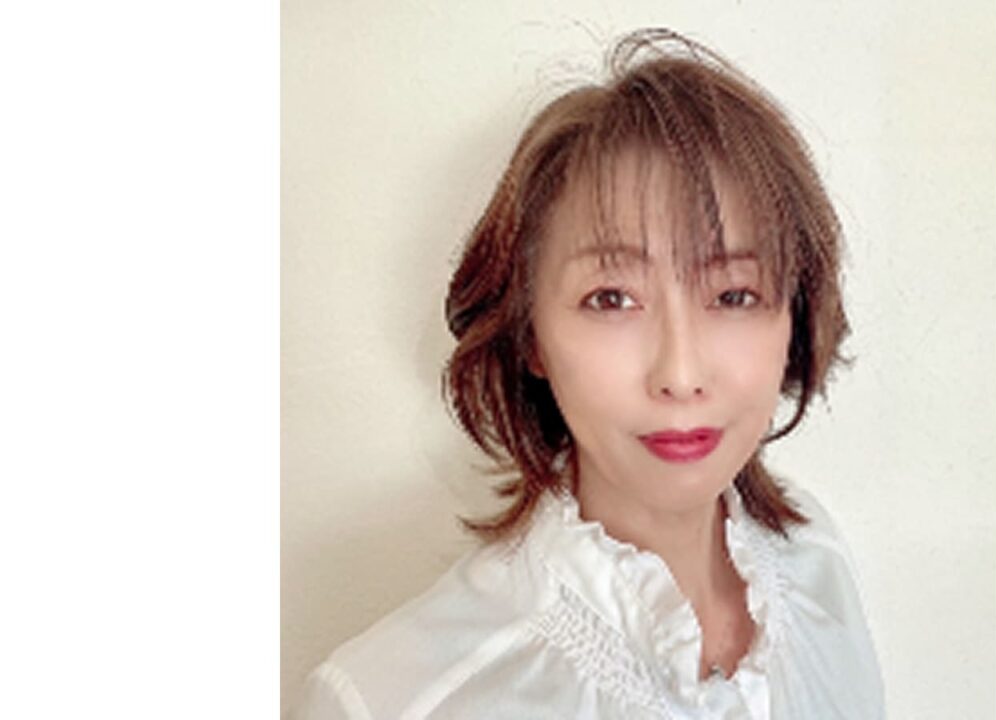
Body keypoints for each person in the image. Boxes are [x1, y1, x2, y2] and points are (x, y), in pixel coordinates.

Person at [297, 28, 884, 720]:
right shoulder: (392, 700)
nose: (680, 373)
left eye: (734, 295)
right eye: (611, 299)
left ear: (795, 316)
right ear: (530, 334)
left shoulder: (817, 562)